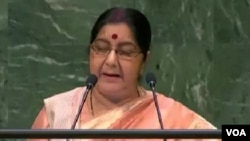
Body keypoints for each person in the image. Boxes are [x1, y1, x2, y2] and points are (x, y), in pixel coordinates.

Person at [30, 7, 220, 141]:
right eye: (102, 49)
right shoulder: (57, 112)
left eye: (126, 52)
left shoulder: (168, 117)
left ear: (144, 61)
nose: (111, 61)